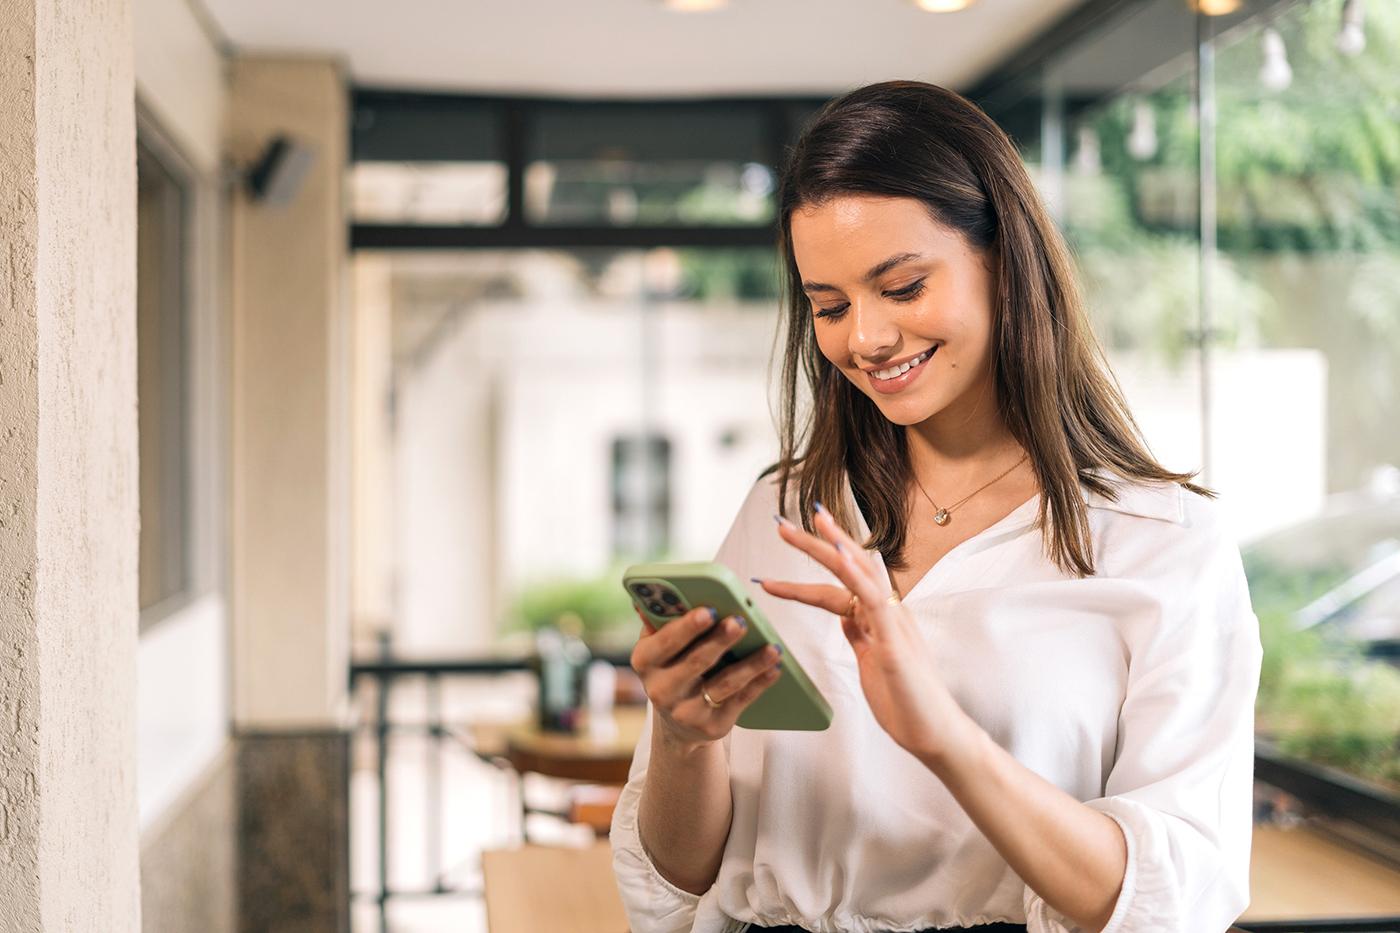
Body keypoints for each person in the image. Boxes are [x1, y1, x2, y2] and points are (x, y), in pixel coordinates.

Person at [609, 80, 1262, 933]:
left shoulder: (1163, 544)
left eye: (904, 287)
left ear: (1002, 257)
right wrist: (684, 738)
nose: (865, 339)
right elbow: (677, 885)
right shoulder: (786, 510)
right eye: (830, 306)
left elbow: (1169, 902)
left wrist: (944, 736)